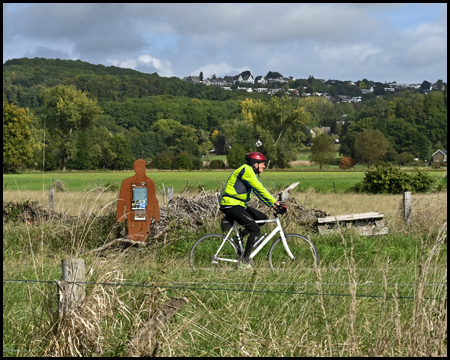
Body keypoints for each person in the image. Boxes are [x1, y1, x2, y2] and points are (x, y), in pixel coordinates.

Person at [219, 151, 286, 269]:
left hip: (238, 204)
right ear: (255, 164)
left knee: (262, 218)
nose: (264, 166)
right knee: (255, 230)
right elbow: (259, 188)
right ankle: (244, 262)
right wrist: (275, 202)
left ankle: (240, 236)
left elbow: (258, 193)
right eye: (262, 164)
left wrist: (273, 206)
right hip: (231, 204)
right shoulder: (246, 170)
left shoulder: (250, 172)